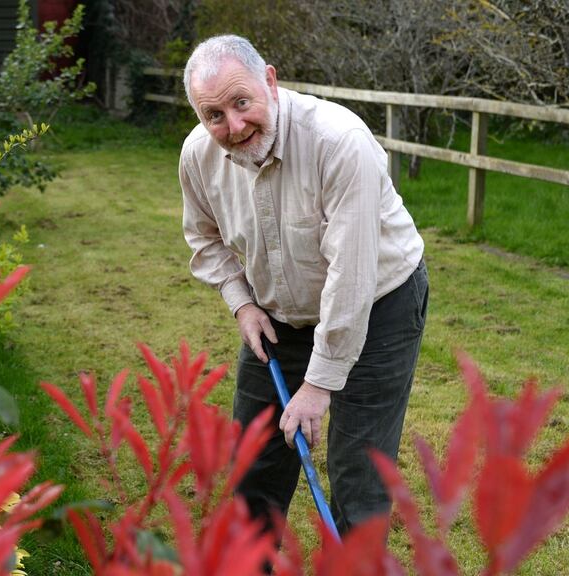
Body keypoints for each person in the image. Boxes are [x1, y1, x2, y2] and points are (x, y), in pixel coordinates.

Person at [178, 35, 429, 535]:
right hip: (277, 315)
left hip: (379, 304)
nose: (234, 126)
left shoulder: (338, 142)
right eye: (214, 114)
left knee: (358, 470)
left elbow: (351, 278)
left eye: (241, 102)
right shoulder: (198, 156)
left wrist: (318, 385)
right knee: (253, 464)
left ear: (269, 81)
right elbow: (203, 238)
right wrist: (242, 304)